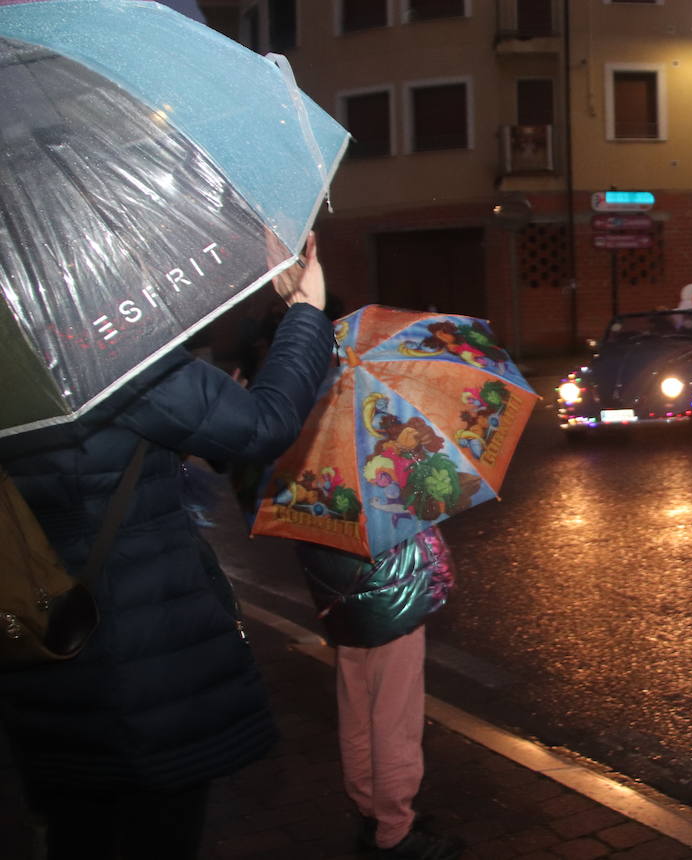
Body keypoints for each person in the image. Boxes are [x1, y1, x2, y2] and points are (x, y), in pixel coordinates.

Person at [0, 236, 333, 859]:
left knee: (79, 833)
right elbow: (260, 427)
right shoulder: (104, 350)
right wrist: (305, 315)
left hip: (41, 651)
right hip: (144, 660)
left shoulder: (15, 353)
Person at [293, 528, 461, 859]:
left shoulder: (309, 484)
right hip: (392, 597)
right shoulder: (382, 478)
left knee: (357, 707)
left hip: (342, 599)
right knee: (395, 717)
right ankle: (394, 829)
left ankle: (370, 810)